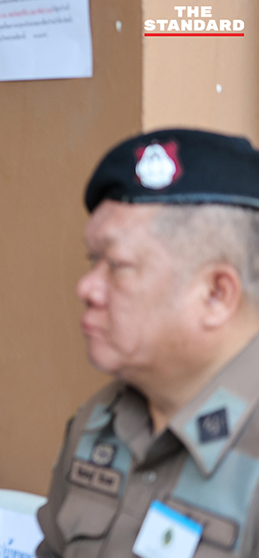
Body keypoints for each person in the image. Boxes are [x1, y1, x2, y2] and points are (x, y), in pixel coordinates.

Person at [37, 129, 259, 557]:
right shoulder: (98, 421)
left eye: (117, 265)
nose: (87, 286)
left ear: (215, 294)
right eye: (92, 261)